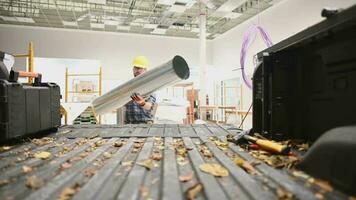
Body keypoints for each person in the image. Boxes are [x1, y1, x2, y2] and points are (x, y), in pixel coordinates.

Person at [124, 56, 156, 124]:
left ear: (145, 70)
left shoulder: (149, 86)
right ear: (133, 69)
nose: (138, 70)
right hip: (130, 124)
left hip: (144, 124)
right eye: (136, 68)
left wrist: (142, 103)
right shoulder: (128, 86)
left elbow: (149, 106)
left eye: (140, 68)